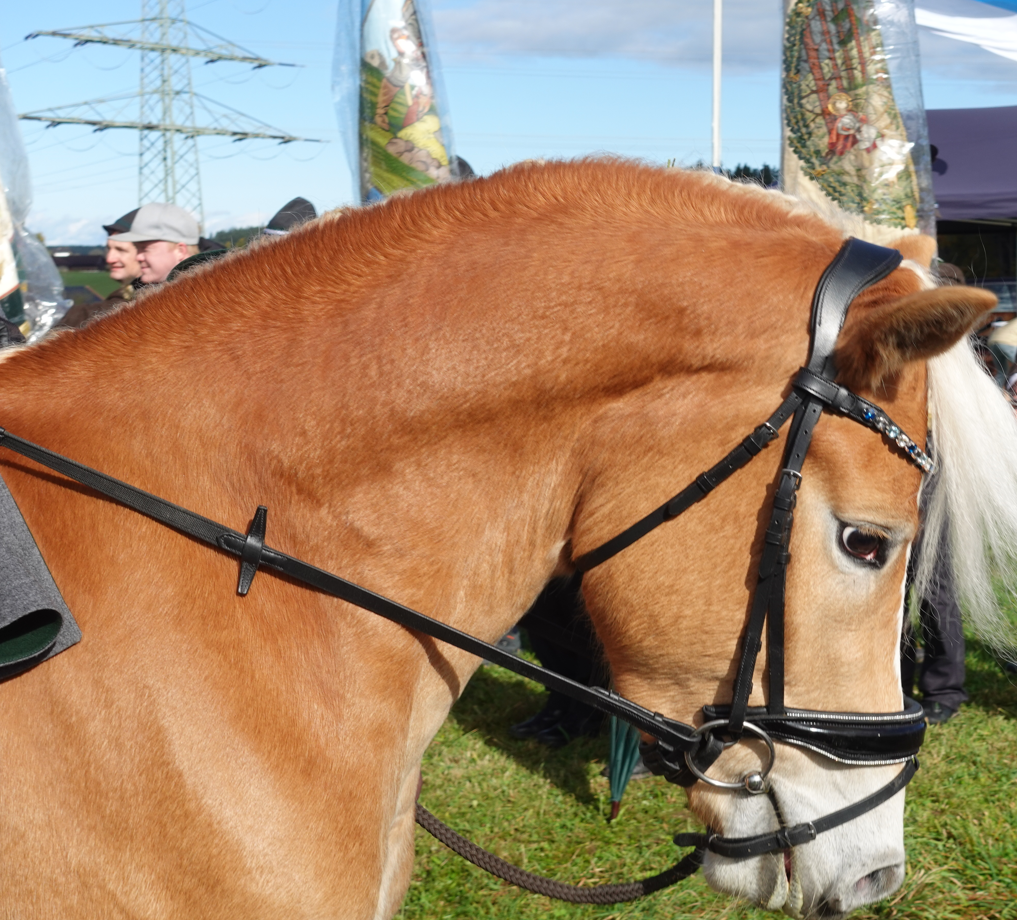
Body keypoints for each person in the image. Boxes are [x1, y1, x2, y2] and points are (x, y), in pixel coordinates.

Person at [57, 208, 145, 329]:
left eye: (121, 250)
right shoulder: (129, 295)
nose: (109, 259)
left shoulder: (145, 301)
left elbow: (102, 314)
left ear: (144, 252)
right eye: (109, 249)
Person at [115, 203, 201, 284]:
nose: (138, 257)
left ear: (180, 251)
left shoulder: (203, 292)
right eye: (137, 248)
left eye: (145, 249)